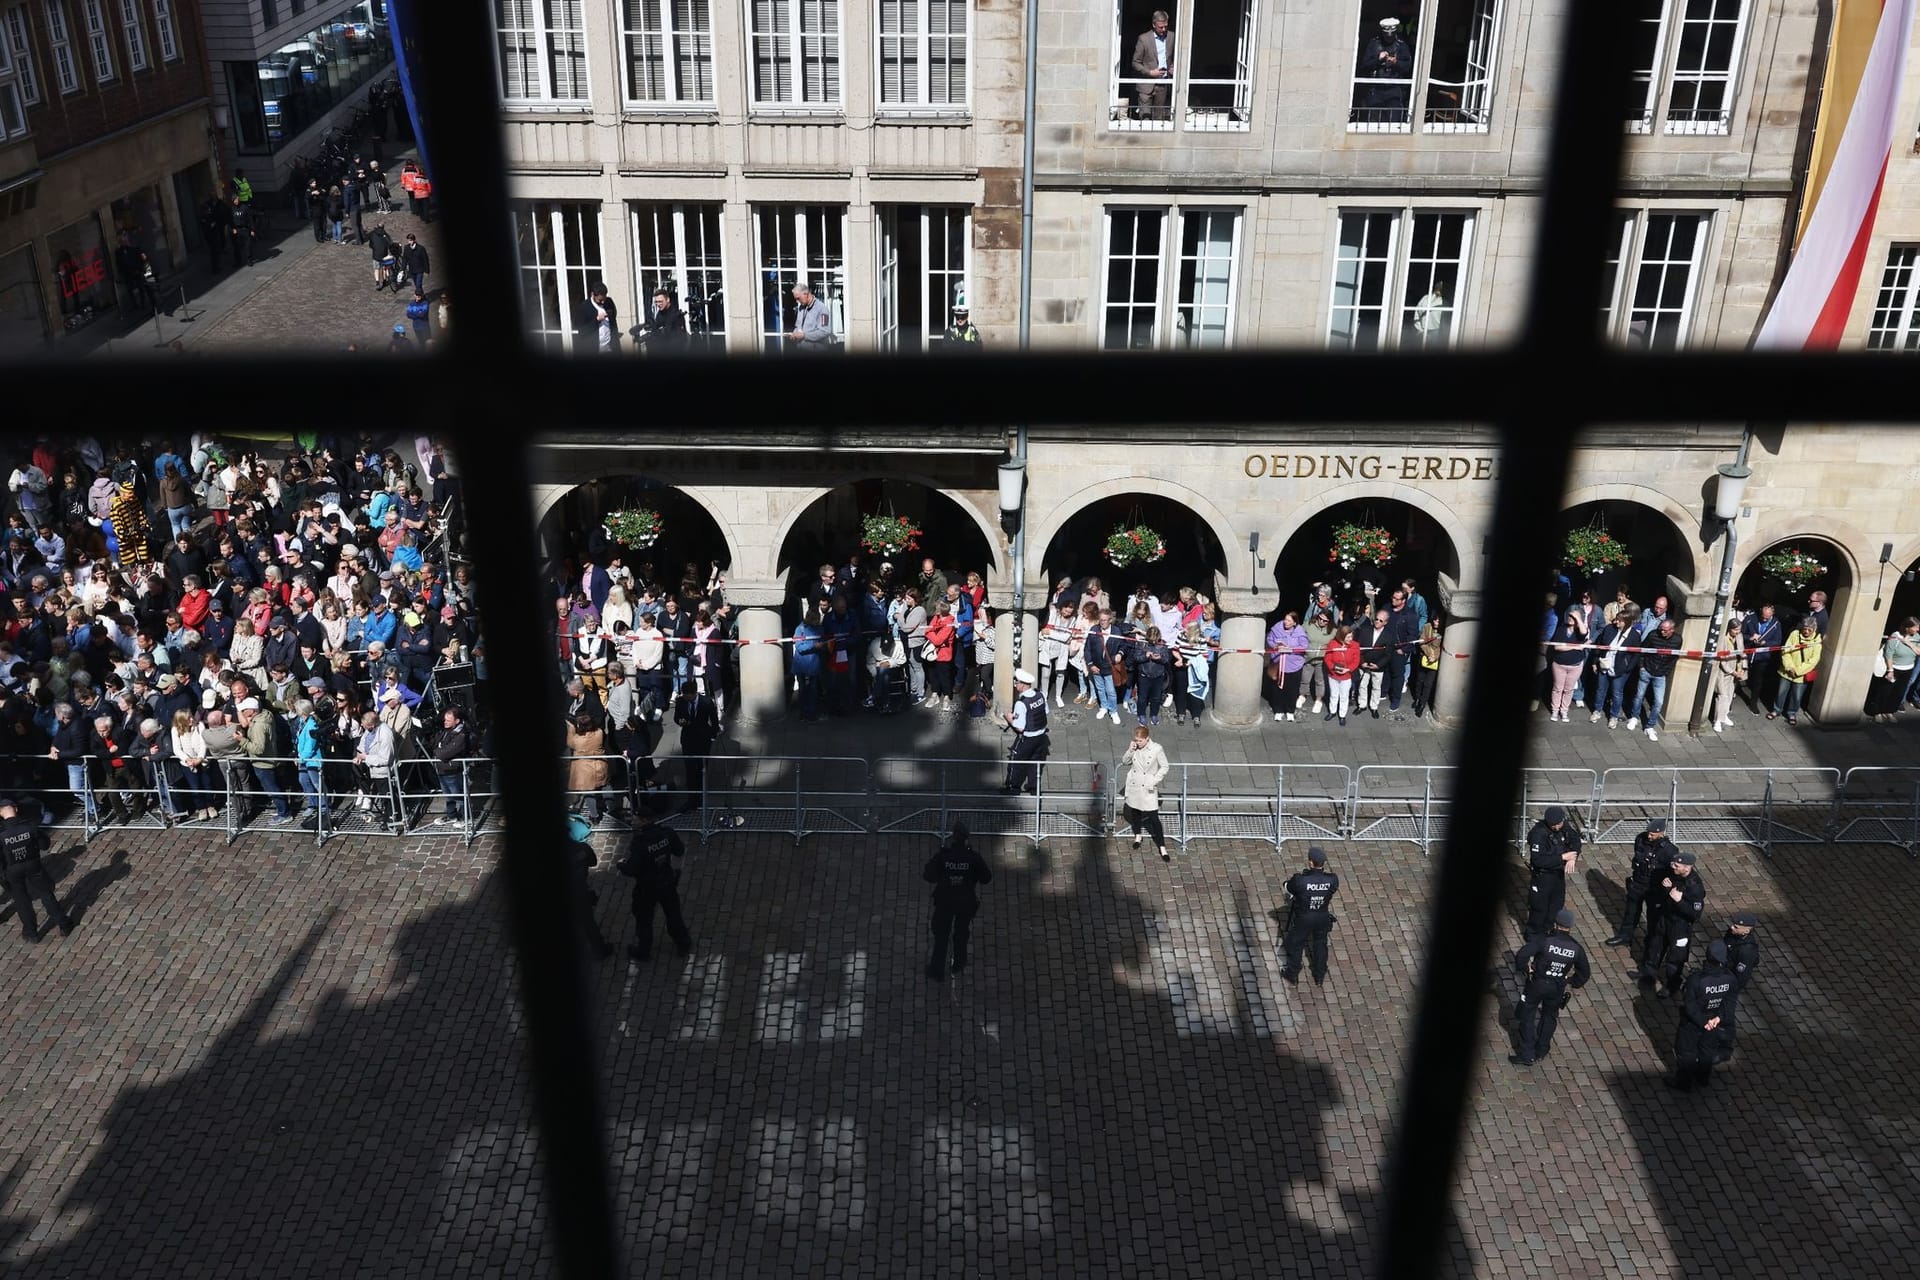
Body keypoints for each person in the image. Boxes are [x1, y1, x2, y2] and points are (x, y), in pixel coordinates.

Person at [1509, 907, 1590, 1066]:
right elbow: (1584, 973)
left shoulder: (1545, 940)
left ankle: (1527, 1054)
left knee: (1527, 1016)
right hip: (1557, 987)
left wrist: (1526, 969)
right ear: (1570, 926)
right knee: (1549, 1017)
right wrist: (1570, 981)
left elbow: (1522, 955)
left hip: (1537, 984)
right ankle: (1542, 1050)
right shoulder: (1576, 948)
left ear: (1556, 923)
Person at [616, 804, 693, 962]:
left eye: (635, 819)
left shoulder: (639, 843)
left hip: (646, 889)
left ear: (644, 821)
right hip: (667, 882)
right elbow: (679, 851)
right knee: (673, 915)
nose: (632, 821)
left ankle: (643, 951)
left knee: (644, 921)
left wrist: (621, 864)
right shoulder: (667, 833)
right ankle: (683, 944)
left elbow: (632, 869)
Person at [923, 822, 992, 980]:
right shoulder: (973, 858)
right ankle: (959, 963)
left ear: (953, 836)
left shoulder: (944, 856)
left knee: (941, 936)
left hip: (945, 902)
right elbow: (986, 878)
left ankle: (937, 970)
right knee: (961, 934)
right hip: (965, 902)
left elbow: (928, 876)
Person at [1669, 939, 1739, 1092]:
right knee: (1707, 1050)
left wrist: (1703, 1021)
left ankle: (1684, 1083)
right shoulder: (1730, 979)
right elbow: (1730, 1002)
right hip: (1714, 1021)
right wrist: (1718, 1018)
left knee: (1687, 1051)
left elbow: (1690, 1005)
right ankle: (1703, 1078)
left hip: (1694, 1023)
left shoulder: (1696, 980)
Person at [2, 797, 72, 941]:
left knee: (22, 901)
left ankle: (31, 933)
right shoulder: (29, 826)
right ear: (15, 809)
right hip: (33, 864)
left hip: (13, 870)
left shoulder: (1, 834)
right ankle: (63, 924)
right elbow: (44, 845)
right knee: (46, 894)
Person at [1637, 849, 1705, 995]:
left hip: (1680, 926)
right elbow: (1666, 895)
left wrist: (1679, 901)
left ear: (1687, 868)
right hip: (1665, 919)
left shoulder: (1695, 887)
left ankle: (1672, 985)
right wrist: (1666, 889)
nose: (1673, 867)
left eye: (1677, 866)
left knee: (1675, 959)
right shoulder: (1673, 874)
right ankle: (1649, 976)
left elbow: (1695, 914)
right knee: (1655, 948)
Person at [1606, 818, 1674, 947]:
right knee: (1631, 912)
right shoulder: (1641, 839)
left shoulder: (1669, 850)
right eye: (1648, 833)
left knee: (1653, 917)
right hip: (1638, 882)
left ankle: (1651, 941)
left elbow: (1671, 872)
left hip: (1654, 888)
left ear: (1661, 833)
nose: (1649, 836)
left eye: (1653, 834)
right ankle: (1625, 936)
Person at [1280, 847, 1339, 986]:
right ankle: (1320, 975)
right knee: (1320, 944)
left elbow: (1288, 887)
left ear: (1311, 863)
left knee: (1295, 943)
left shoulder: (1300, 880)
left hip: (1304, 918)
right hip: (1322, 916)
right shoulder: (1332, 879)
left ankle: (1292, 973)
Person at [1523, 805, 1580, 941]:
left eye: (1559, 824)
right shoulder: (1539, 834)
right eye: (1553, 825)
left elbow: (1575, 840)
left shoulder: (1563, 825)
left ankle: (1548, 931)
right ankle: (1533, 936)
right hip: (1542, 878)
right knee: (1539, 909)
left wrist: (1574, 856)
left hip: (1557, 876)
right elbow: (1538, 860)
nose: (1557, 827)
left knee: (1556, 906)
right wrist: (1562, 858)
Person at [566, 814, 615, 961]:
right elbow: (593, 862)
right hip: (580, 891)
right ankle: (600, 950)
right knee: (588, 924)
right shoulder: (582, 848)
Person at [1625, 617, 1681, 741]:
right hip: (1647, 670)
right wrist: (1642, 667)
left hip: (1661, 675)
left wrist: (1666, 671)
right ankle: (1634, 717)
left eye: (1665, 630)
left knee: (1659, 702)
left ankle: (1650, 726)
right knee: (1639, 696)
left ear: (1672, 630)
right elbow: (1643, 650)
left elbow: (1674, 657)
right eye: (1661, 629)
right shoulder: (1653, 635)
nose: (1662, 632)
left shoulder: (1677, 640)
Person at [1120, 725, 1171, 861]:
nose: (1138, 743)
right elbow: (1125, 761)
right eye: (1136, 740)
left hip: (1148, 786)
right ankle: (1138, 835)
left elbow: (1165, 766)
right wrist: (1130, 750)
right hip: (1135, 785)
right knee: (1135, 812)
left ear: (1147, 739)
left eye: (1140, 741)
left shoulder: (1156, 749)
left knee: (1154, 818)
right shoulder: (1134, 748)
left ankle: (1162, 846)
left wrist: (1154, 780)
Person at [673, 680, 720, 813]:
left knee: (701, 768)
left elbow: (714, 720)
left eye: (688, 695)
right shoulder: (681, 701)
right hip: (688, 739)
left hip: (703, 739)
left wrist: (712, 736)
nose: (685, 697)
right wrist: (680, 721)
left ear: (694, 693)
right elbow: (677, 717)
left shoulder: (706, 702)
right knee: (690, 769)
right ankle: (692, 798)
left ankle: (700, 795)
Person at [1001, 668, 1050, 795]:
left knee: (1016, 761)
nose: (1015, 685)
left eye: (1016, 682)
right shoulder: (1040, 694)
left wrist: (1008, 718)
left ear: (1022, 684)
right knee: (1035, 762)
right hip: (1041, 736)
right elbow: (1045, 712)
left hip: (1027, 738)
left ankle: (1013, 787)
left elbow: (1019, 727)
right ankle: (1034, 788)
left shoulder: (1021, 703)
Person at [1358, 16, 1413, 124]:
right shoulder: (1374, 44)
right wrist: (1378, 60)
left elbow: (1407, 68)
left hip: (1394, 90)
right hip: (1375, 90)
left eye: (1391, 35)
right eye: (1386, 35)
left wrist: (1396, 62)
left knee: (1393, 123)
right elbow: (1364, 66)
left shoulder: (1401, 46)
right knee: (1372, 123)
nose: (1389, 37)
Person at [1590, 607, 1639, 727]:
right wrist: (1595, 661)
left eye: (1619, 621)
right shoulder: (1609, 629)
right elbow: (1599, 645)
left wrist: (1627, 668)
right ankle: (1597, 711)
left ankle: (1614, 716)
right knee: (1601, 690)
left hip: (1620, 670)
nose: (1616, 622)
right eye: (1616, 619)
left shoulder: (1634, 636)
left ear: (1626, 623)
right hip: (1604, 665)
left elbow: (1636, 654)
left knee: (1617, 693)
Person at [1869, 617, 1920, 721]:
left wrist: (1908, 643)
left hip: (1908, 669)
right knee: (1885, 691)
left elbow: (1919, 652)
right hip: (1895, 668)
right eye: (1915, 627)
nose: (1917, 629)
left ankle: (1889, 711)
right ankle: (1877, 712)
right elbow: (1889, 655)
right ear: (1907, 628)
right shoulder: (1895, 637)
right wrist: (1890, 670)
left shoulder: (1916, 637)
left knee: (1898, 692)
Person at [1771, 618, 1821, 724]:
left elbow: (1813, 661)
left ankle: (1791, 713)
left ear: (1814, 629)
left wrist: (1797, 671)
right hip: (1787, 671)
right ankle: (1776, 710)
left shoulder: (1816, 642)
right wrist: (1789, 667)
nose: (1806, 632)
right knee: (1781, 692)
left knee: (1797, 695)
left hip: (1801, 675)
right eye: (1805, 629)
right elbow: (1786, 650)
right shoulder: (1794, 634)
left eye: (1809, 630)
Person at [1545, 607, 1588, 722]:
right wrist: (1576, 647)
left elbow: (1584, 632)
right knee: (1557, 688)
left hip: (1575, 666)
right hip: (1559, 665)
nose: (1571, 618)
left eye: (1573, 617)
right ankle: (1555, 711)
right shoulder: (1561, 629)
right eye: (1569, 616)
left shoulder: (1580, 631)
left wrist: (1578, 618)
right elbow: (1557, 647)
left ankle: (1564, 711)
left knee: (1569, 690)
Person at [1129, 10, 1174, 122]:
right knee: (1145, 120)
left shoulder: (1172, 37)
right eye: (1160, 27)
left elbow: (1178, 56)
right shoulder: (1143, 39)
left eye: (1165, 27)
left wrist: (1173, 67)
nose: (1164, 30)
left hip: (1163, 84)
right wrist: (1150, 72)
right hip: (1145, 85)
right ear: (1153, 25)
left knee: (1158, 120)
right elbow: (1135, 62)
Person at [1740, 603, 1784, 712]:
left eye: (1767, 617)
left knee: (1758, 681)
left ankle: (1753, 702)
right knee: (1739, 676)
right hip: (1747, 654)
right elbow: (1740, 634)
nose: (1764, 619)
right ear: (1761, 611)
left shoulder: (1776, 624)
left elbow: (1777, 642)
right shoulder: (1750, 619)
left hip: (1762, 657)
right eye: (1763, 616)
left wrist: (1765, 643)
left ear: (1772, 614)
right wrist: (1750, 638)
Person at [1266, 611, 1308, 722]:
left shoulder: (1300, 632)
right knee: (1277, 689)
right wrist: (1275, 645)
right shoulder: (1277, 628)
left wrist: (1290, 648)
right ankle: (1278, 710)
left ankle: (1290, 711)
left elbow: (1303, 646)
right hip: (1278, 664)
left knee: (1292, 689)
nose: (1286, 622)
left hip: (1294, 666)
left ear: (1294, 623)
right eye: (1285, 619)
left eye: (1289, 620)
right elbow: (1269, 639)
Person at [1708, 619, 1745, 731]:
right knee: (1722, 696)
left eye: (1739, 630)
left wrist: (1741, 668)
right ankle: (1717, 721)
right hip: (1723, 672)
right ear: (1730, 629)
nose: (1738, 632)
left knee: (1729, 694)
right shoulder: (1723, 639)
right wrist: (1732, 671)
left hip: (1734, 670)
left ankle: (1724, 716)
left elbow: (1741, 652)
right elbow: (1722, 660)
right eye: (1735, 630)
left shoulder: (1739, 637)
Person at [1323, 624, 1360, 725]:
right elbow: (1327, 658)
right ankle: (1332, 712)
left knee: (1344, 696)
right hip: (1333, 675)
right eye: (1348, 637)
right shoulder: (1332, 644)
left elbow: (1356, 661)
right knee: (1334, 695)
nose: (1350, 639)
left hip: (1346, 676)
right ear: (1342, 636)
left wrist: (1347, 669)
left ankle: (1342, 715)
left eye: (1351, 636)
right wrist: (1333, 668)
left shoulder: (1355, 645)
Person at [635, 289, 689, 353]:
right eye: (656, 302)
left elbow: (679, 340)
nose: (658, 304)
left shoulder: (676, 315)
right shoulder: (660, 313)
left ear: (668, 300)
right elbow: (657, 328)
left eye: (660, 301)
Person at [786, 281, 834, 353]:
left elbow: (825, 331)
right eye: (795, 299)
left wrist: (804, 336)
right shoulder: (801, 308)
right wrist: (794, 334)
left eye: (798, 298)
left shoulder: (822, 309)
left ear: (806, 294)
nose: (796, 301)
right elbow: (798, 326)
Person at [584, 281, 620, 354]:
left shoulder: (609, 302)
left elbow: (613, 319)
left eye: (604, 299)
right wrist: (597, 320)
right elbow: (582, 332)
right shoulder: (584, 307)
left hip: (610, 349)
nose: (603, 302)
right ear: (592, 294)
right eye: (600, 300)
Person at [401, 233, 430, 297]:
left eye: (410, 240)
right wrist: (402, 269)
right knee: (417, 285)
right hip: (412, 270)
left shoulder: (421, 248)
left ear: (414, 240)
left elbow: (425, 260)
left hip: (419, 270)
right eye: (408, 240)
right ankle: (422, 296)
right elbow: (404, 259)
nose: (409, 242)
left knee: (418, 284)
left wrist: (427, 270)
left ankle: (418, 299)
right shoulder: (406, 248)